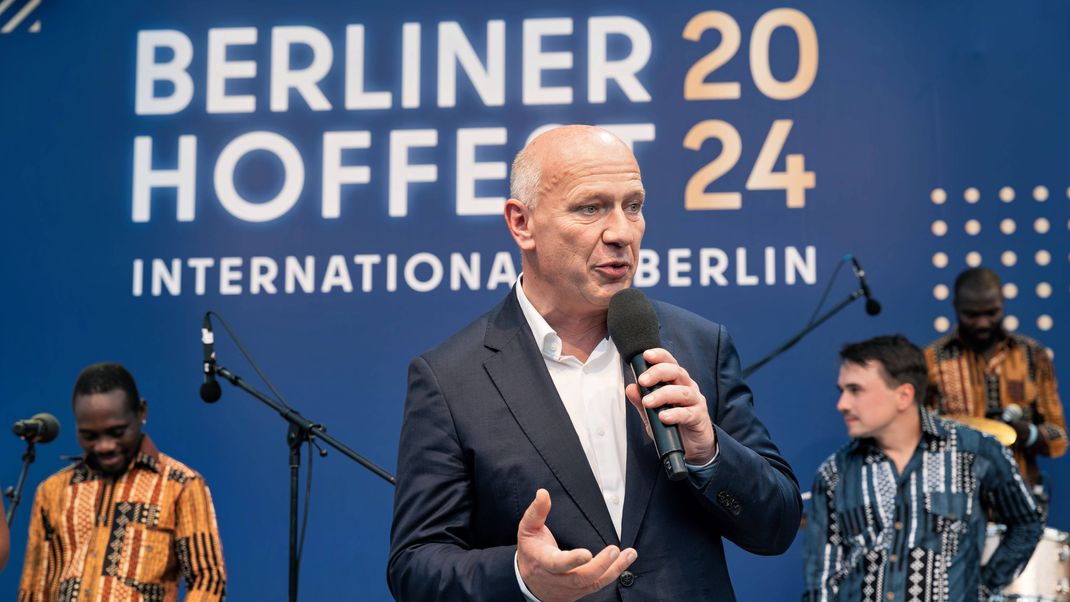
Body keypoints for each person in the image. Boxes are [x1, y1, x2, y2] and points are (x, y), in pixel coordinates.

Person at [388, 125, 802, 601]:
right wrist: (523, 577)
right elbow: (415, 565)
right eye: (590, 208)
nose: (622, 233)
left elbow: (778, 526)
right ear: (521, 223)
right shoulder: (450, 377)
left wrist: (708, 452)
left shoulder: (698, 345)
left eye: (633, 206)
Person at [802, 335, 1042, 601]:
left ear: (904, 395)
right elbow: (822, 578)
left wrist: (982, 588)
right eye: (842, 390)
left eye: (856, 390)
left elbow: (1027, 523)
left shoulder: (977, 451)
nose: (842, 404)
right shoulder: (835, 472)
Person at [18, 363, 226, 601]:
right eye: (89, 436)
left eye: (117, 432)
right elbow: (33, 590)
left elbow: (208, 581)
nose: (104, 446)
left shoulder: (181, 485)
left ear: (141, 412)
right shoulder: (52, 491)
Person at [925, 267, 1067, 491]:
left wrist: (1028, 434)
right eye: (971, 315)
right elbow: (914, 433)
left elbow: (1059, 438)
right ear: (955, 308)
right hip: (954, 498)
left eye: (992, 313)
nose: (982, 323)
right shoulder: (932, 359)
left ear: (1003, 304)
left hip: (1020, 497)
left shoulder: (1032, 355)